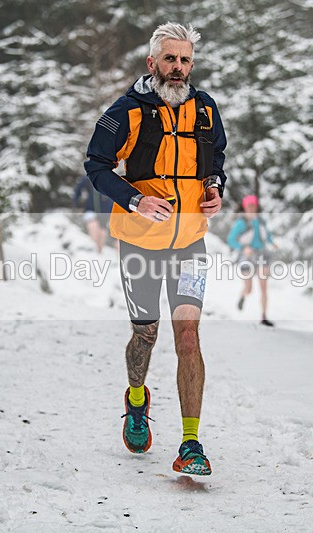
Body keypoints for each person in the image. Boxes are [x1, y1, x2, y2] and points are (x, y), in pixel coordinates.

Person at [84, 22, 228, 476]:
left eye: (185, 60)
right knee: (146, 335)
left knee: (188, 335)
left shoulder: (205, 109)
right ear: (153, 63)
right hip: (139, 243)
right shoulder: (125, 112)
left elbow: (217, 158)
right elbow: (96, 164)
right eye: (170, 59)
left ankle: (190, 444)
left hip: (191, 242)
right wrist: (134, 199)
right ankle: (138, 399)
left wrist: (215, 187)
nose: (178, 68)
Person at [228, 195, 276, 327]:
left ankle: (264, 316)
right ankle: (243, 295)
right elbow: (231, 240)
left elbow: (268, 235)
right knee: (249, 289)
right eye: (249, 206)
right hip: (246, 257)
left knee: (263, 287)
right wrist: (243, 248)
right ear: (245, 207)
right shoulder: (241, 223)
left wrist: (273, 243)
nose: (251, 208)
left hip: (261, 255)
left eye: (253, 206)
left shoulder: (261, 221)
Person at [73, 175, 114, 253]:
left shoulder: (111, 178)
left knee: (102, 233)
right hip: (90, 210)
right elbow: (77, 190)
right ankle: (93, 248)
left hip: (105, 212)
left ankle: (99, 252)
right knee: (93, 226)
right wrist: (77, 204)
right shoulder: (88, 178)